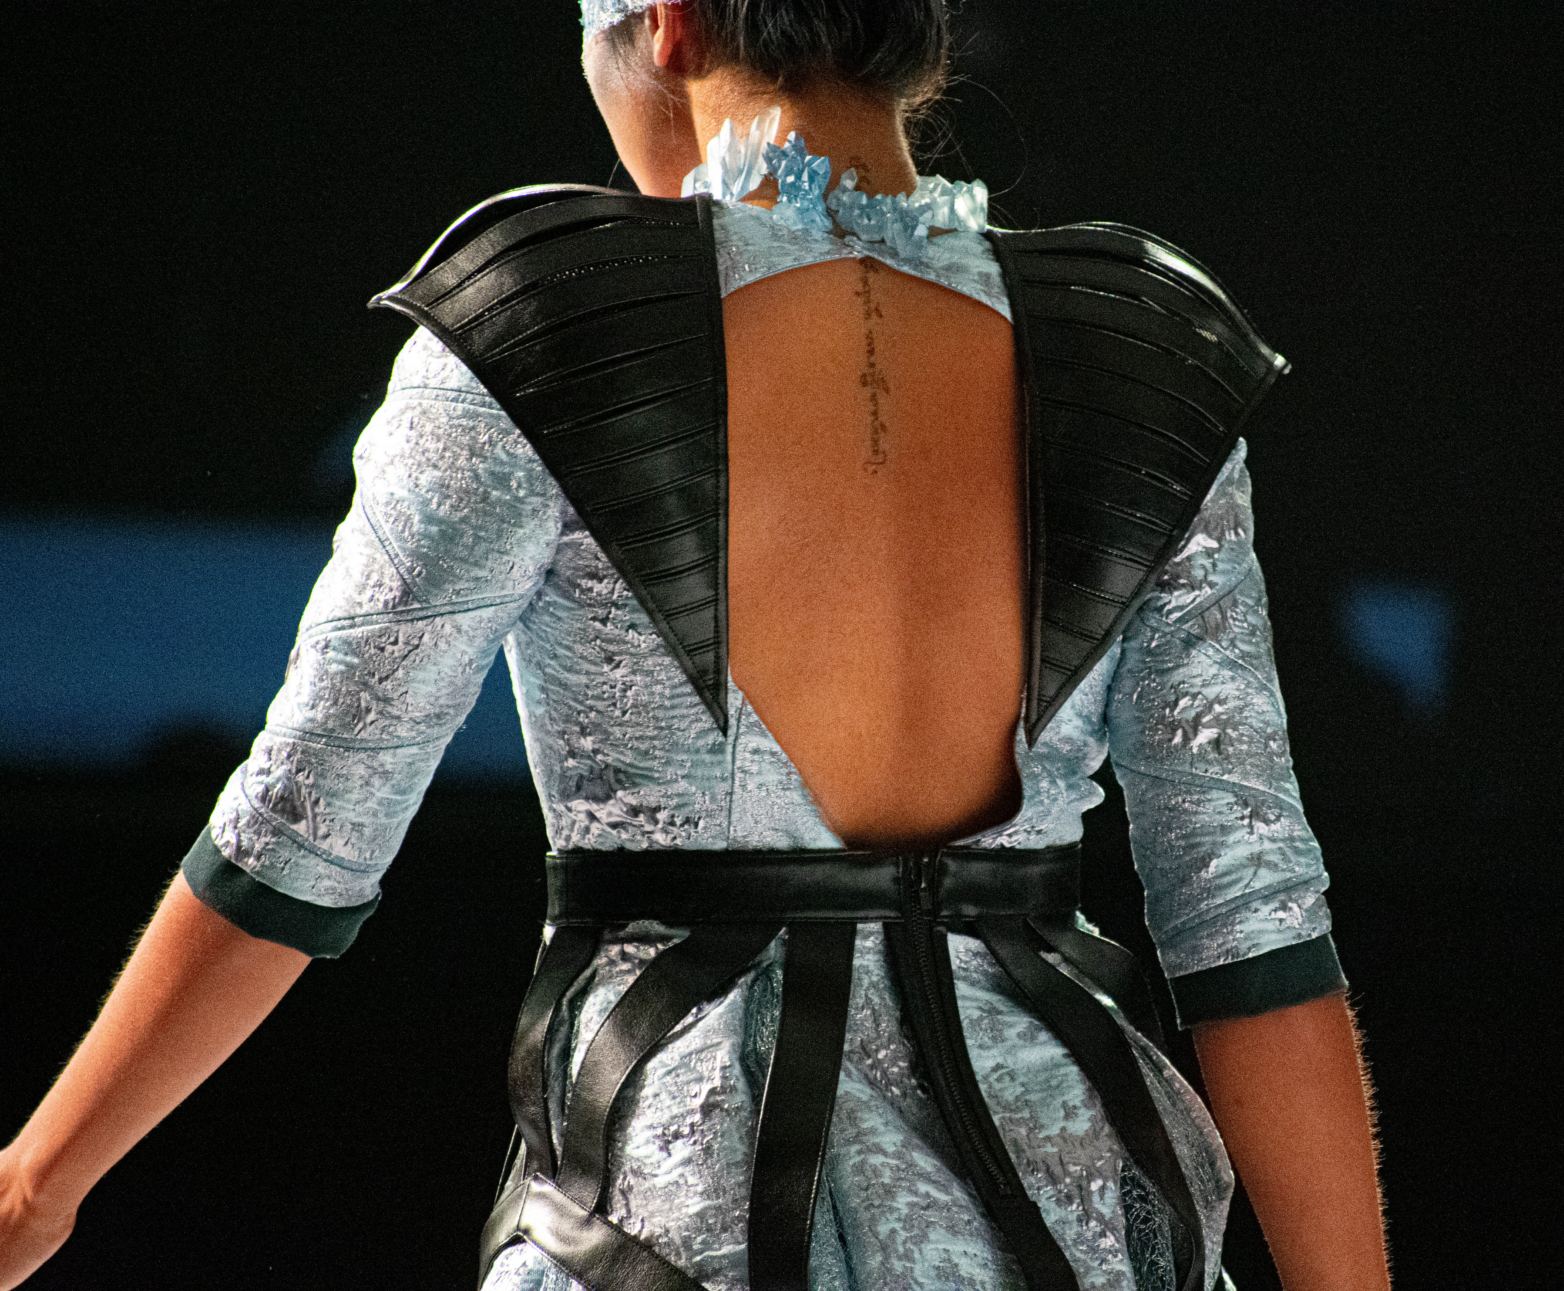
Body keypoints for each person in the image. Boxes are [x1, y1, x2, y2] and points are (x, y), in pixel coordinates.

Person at [0, 2, 1389, 1288]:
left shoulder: (534, 319)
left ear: (664, 26)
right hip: (1078, 1222)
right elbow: (1255, 935)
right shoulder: (1147, 349)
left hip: (674, 1226)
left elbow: (300, 835)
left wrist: (34, 1186)